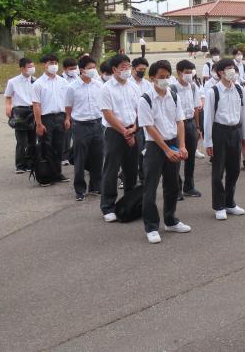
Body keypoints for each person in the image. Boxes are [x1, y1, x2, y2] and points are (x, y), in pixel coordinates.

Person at [137, 60, 191, 244]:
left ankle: (170, 220)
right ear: (152, 78)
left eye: (167, 77)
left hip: (172, 143)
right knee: (150, 188)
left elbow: (180, 121)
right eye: (161, 77)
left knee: (172, 185)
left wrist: (182, 146)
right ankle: (151, 226)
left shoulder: (173, 95)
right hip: (155, 147)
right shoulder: (145, 99)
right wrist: (166, 150)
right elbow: (149, 127)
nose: (165, 80)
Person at [204, 59, 245, 220]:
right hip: (219, 132)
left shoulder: (239, 89)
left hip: (235, 131)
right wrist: (208, 142)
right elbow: (208, 118)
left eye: (233, 68)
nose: (232, 71)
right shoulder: (213, 92)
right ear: (220, 73)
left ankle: (230, 203)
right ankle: (219, 206)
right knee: (218, 171)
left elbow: (243, 113)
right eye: (228, 69)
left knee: (234, 170)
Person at [98, 54, 141, 223]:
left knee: (131, 170)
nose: (127, 69)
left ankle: (128, 203)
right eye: (123, 67)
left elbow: (140, 110)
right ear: (114, 69)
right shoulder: (106, 88)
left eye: (128, 66)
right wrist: (124, 132)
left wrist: (134, 129)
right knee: (111, 169)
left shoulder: (134, 87)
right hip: (115, 132)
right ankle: (107, 206)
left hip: (133, 129)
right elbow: (107, 114)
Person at [64, 56, 104, 202]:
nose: (93, 70)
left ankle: (96, 185)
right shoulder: (72, 87)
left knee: (98, 157)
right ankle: (80, 189)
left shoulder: (98, 85)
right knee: (80, 158)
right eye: (90, 68)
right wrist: (68, 118)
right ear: (82, 70)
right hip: (81, 125)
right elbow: (68, 106)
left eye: (94, 67)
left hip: (98, 123)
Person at [32, 55, 70, 185]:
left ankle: (57, 173)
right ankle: (45, 175)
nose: (53, 65)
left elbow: (67, 102)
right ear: (45, 65)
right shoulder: (38, 84)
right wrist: (39, 124)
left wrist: (67, 118)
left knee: (59, 146)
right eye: (50, 63)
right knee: (46, 147)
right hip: (46, 118)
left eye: (55, 62)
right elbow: (36, 105)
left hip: (60, 116)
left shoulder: (63, 82)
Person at [173, 60, 202, 197]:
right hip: (177, 124)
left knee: (190, 157)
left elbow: (196, 108)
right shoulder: (172, 88)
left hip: (190, 123)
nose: (190, 75)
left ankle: (189, 187)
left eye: (191, 72)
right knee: (177, 157)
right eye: (187, 72)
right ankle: (176, 189)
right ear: (179, 73)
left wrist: (197, 127)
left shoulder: (193, 87)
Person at [4, 57, 37, 174]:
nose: (32, 69)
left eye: (33, 66)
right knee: (22, 141)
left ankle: (30, 163)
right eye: (29, 67)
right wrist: (8, 107)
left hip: (33, 110)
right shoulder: (13, 81)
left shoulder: (35, 81)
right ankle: (20, 165)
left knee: (33, 140)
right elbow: (8, 96)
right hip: (20, 111)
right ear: (22, 68)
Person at [231, 48, 245, 171]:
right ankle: (232, 162)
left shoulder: (240, 89)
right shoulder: (220, 89)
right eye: (237, 54)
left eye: (241, 54)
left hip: (241, 117)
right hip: (231, 120)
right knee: (233, 144)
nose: (240, 56)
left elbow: (244, 108)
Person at [61, 58, 79, 166]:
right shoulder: (61, 79)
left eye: (75, 68)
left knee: (76, 135)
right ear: (65, 69)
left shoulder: (77, 77)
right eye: (71, 69)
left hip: (77, 109)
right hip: (65, 109)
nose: (73, 70)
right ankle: (64, 156)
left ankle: (75, 154)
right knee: (66, 135)